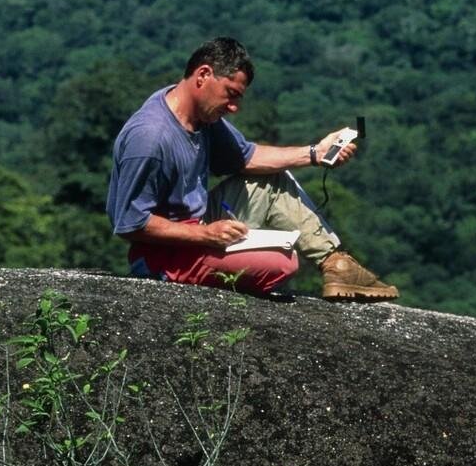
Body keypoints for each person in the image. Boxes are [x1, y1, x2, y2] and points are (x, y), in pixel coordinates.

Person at [106, 36, 399, 301]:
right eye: (230, 94)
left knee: (271, 180)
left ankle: (337, 265)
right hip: (163, 255)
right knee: (284, 263)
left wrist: (315, 153)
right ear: (203, 75)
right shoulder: (151, 136)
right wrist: (207, 236)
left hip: (198, 223)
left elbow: (246, 158)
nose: (234, 107)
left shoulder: (201, 117)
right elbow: (131, 222)